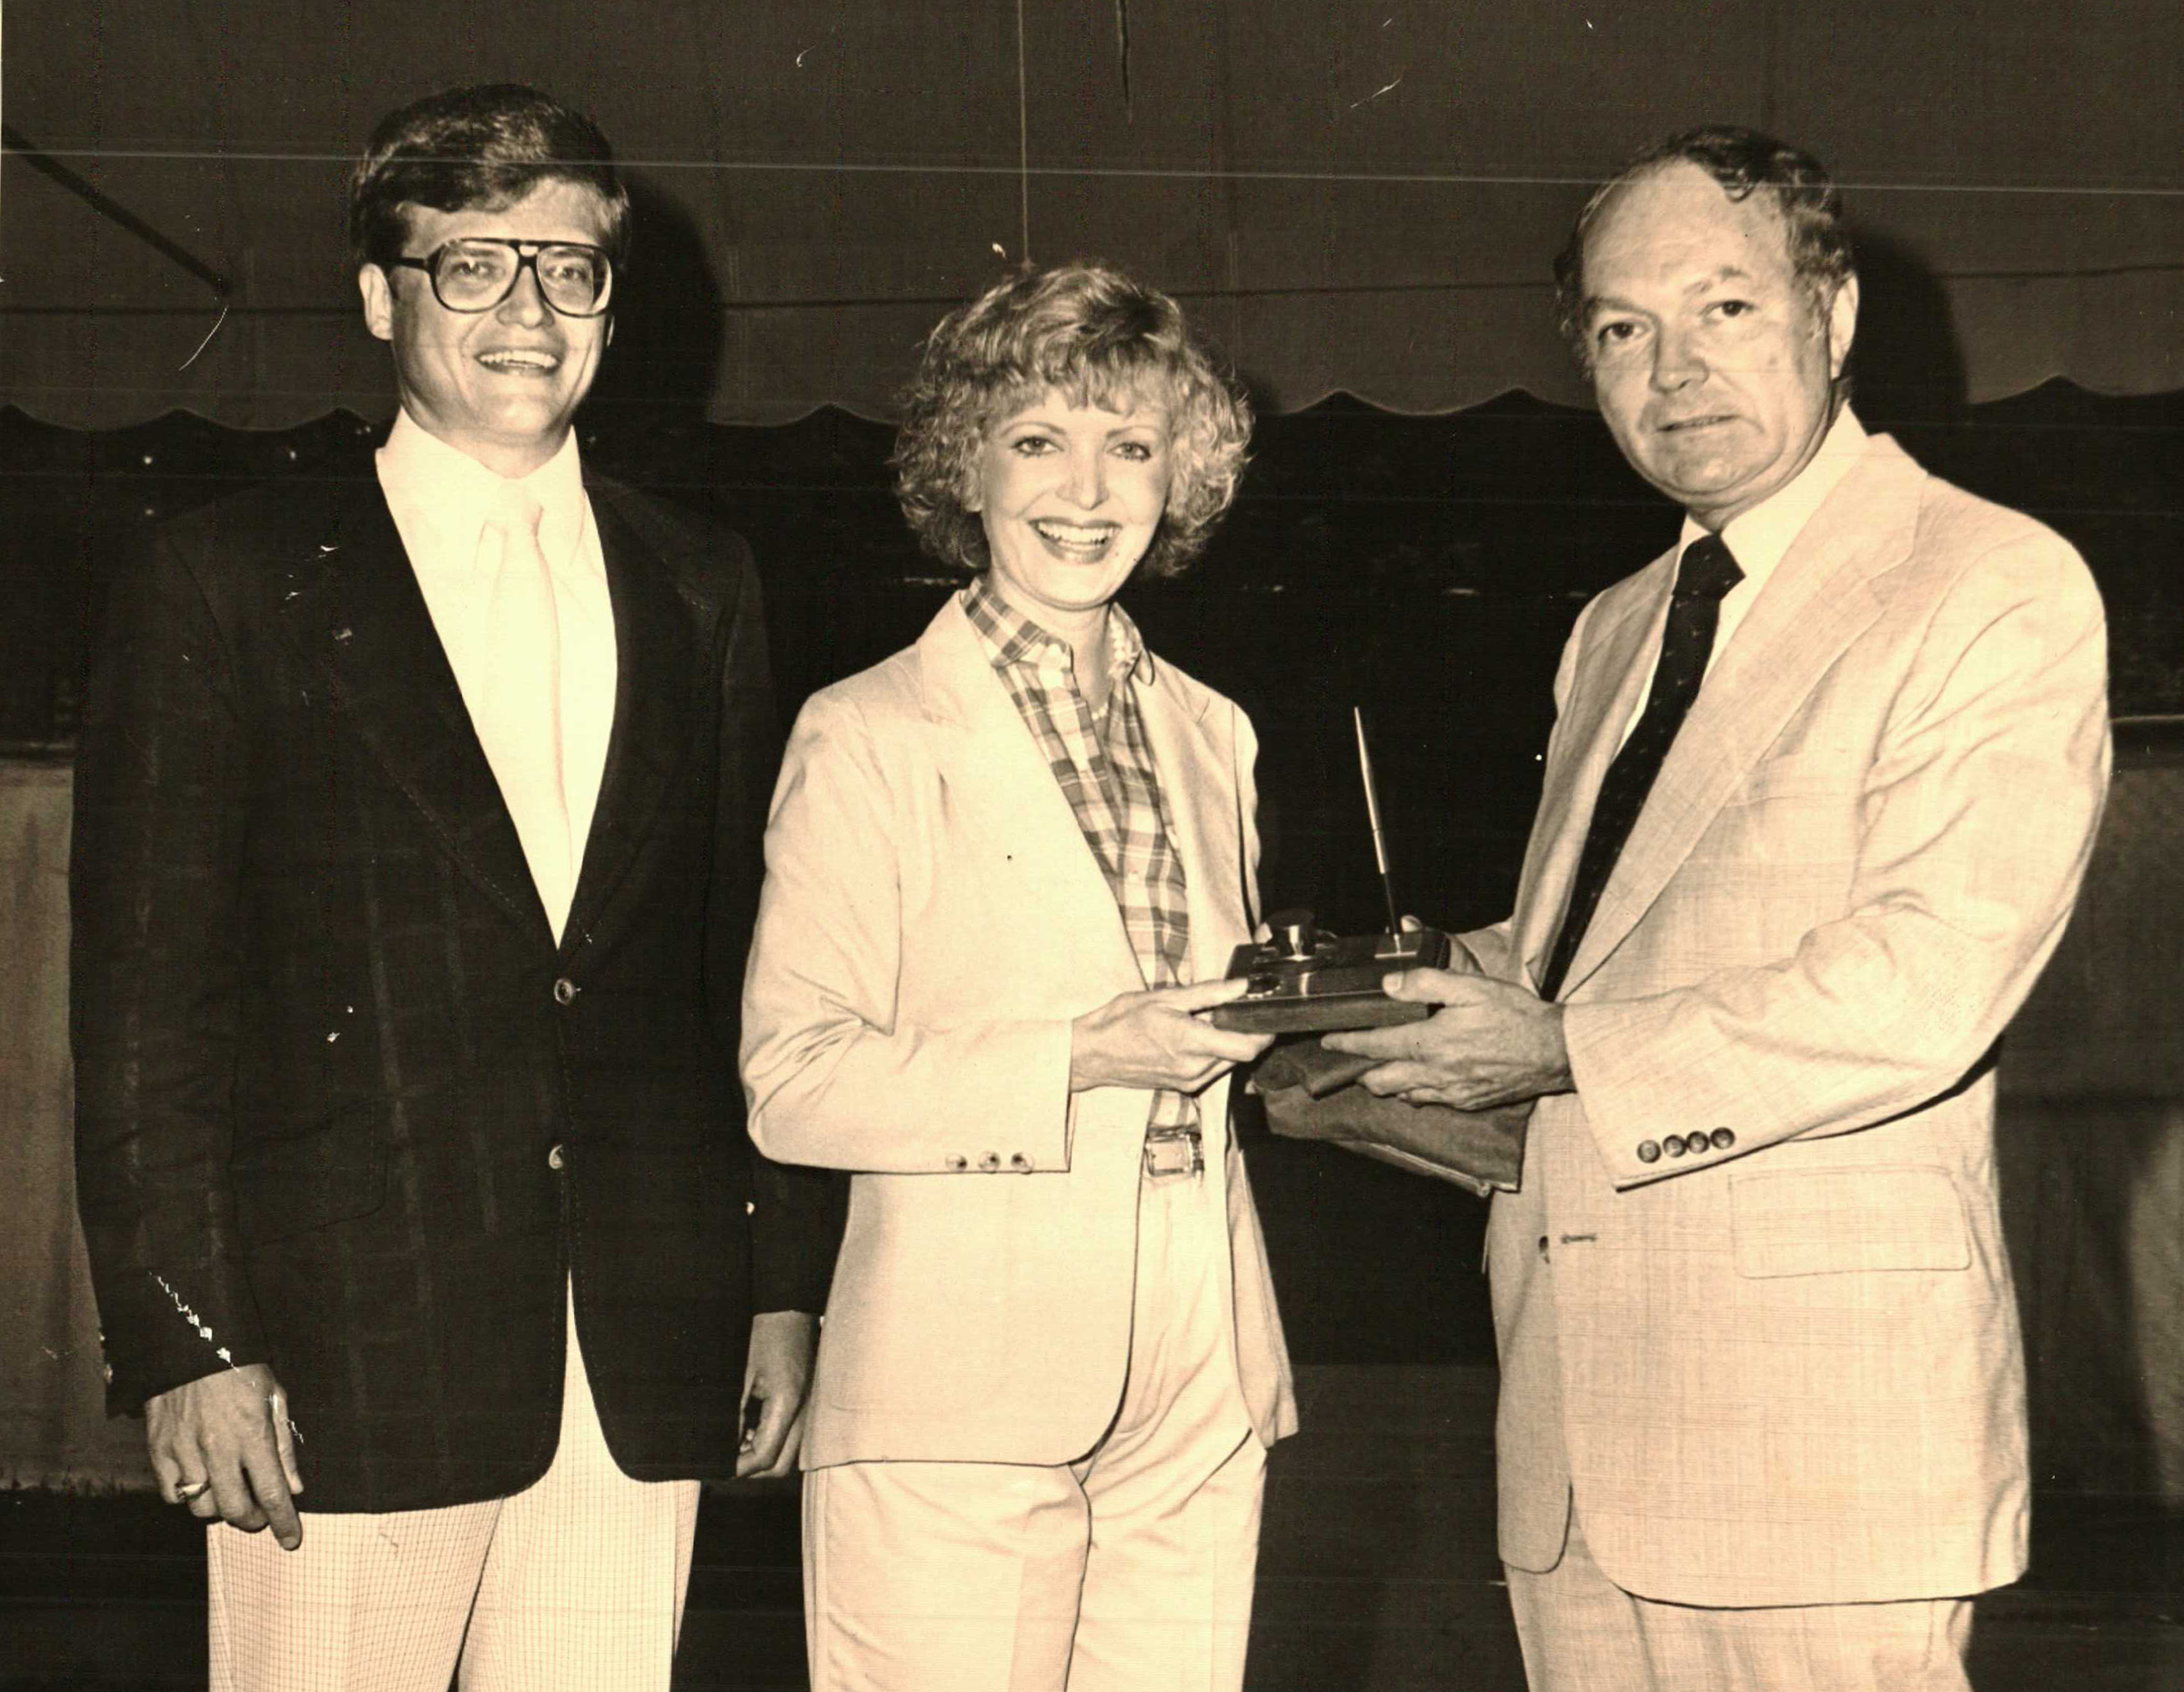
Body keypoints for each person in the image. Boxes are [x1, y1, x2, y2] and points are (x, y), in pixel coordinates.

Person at [70, 84, 836, 1691]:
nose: (528, 313)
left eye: (570, 269)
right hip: (337, 1350)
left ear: (614, 304)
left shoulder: (702, 580)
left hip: (640, 1343)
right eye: (472, 265)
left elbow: (739, 973)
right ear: (380, 297)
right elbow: (145, 1006)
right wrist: (192, 1340)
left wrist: (781, 1287)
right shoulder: (223, 576)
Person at [1322, 127, 2109, 1688]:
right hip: (1572, 1428)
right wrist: (1368, 987)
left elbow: (1925, 983)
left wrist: (1555, 1052)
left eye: (1723, 308)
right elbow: (1585, 951)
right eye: (1623, 329)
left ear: (1833, 313)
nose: (1672, 370)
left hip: (1817, 1441)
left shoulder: (1986, 581)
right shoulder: (1616, 626)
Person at [740, 261, 1296, 1692]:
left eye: (1132, 445)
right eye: (1038, 439)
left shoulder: (1215, 731)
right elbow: (793, 1086)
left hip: (1201, 1359)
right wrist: (1080, 1056)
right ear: (966, 466)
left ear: (1182, 477)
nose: (1087, 491)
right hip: (958, 1372)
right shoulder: (864, 731)